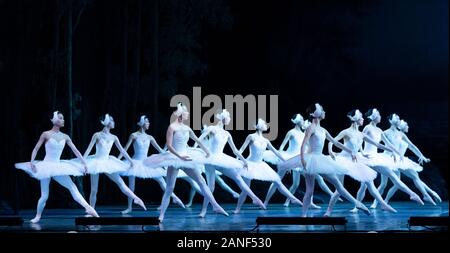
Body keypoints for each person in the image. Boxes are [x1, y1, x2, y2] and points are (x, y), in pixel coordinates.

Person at [15, 111, 98, 223]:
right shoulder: (46, 134)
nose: (63, 120)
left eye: (63, 118)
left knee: (72, 187)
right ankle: (37, 216)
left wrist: (84, 163)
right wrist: (31, 162)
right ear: (53, 120)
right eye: (60, 118)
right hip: (46, 166)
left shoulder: (65, 136)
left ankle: (89, 208)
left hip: (58, 166)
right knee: (44, 195)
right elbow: (36, 149)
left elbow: (75, 150)